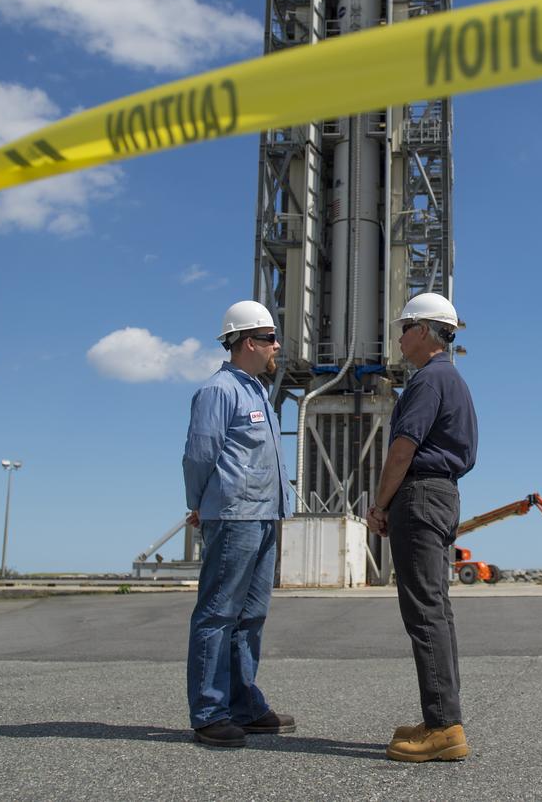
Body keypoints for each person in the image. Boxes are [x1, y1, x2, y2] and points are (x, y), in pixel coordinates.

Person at [366, 292, 477, 763]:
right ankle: (441, 718)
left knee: (424, 613)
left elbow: (402, 449)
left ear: (425, 332)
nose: (398, 336)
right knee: (436, 610)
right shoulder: (451, 379)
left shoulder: (429, 381)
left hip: (420, 494)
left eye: (404, 327)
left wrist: (380, 504)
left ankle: (443, 728)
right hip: (442, 495)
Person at [182, 300, 296, 748]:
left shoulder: (258, 393)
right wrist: (199, 503)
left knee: (252, 616)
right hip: (233, 517)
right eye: (270, 339)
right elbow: (199, 455)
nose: (277, 346)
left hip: (265, 515)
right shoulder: (219, 391)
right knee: (217, 615)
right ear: (249, 341)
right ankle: (209, 713)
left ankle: (244, 705)